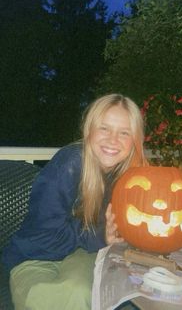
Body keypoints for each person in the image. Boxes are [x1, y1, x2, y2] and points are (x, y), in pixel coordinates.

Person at [2, 93, 148, 310]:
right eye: (104, 128)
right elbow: (45, 237)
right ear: (89, 130)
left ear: (134, 140)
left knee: (82, 293)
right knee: (55, 299)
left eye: (124, 132)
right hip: (34, 257)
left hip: (81, 254)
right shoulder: (69, 165)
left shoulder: (129, 176)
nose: (112, 140)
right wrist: (101, 235)